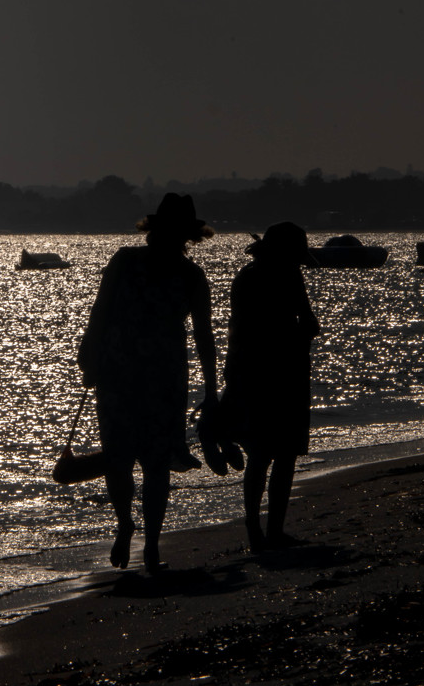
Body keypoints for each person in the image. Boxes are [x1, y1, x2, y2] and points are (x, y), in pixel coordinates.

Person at [77, 193, 217, 574]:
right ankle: (149, 543)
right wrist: (211, 390)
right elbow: (203, 336)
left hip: (122, 371)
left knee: (120, 458)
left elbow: (99, 312)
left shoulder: (127, 261)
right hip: (160, 374)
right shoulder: (189, 274)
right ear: (189, 236)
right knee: (154, 464)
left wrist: (90, 356)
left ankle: (129, 527)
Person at [219, 221, 319, 552]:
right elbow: (309, 323)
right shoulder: (290, 277)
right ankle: (272, 530)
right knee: (283, 454)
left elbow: (238, 332)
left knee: (261, 455)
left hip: (251, 372)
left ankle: (256, 530)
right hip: (285, 372)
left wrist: (231, 377)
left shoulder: (246, 278)